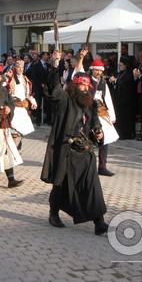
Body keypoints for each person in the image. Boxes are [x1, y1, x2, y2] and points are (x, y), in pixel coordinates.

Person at [41, 59, 108, 235]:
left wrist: (98, 132)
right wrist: (55, 66)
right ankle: (53, 213)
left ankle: (99, 222)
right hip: (67, 152)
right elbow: (53, 89)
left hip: (85, 152)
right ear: (75, 87)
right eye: (82, 86)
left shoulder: (91, 104)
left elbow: (95, 123)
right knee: (60, 184)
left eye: (87, 86)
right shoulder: (65, 101)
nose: (86, 89)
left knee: (92, 187)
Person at [87, 58, 119, 176]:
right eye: (96, 70)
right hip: (89, 112)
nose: (98, 73)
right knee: (89, 139)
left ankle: (102, 166)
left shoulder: (103, 83)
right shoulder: (88, 81)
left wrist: (111, 115)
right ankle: (87, 166)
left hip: (101, 113)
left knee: (105, 139)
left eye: (100, 71)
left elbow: (107, 98)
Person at [5, 59, 37, 150]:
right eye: (18, 67)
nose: (20, 69)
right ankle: (11, 148)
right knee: (12, 130)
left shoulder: (25, 79)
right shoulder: (10, 77)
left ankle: (14, 148)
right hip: (12, 106)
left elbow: (28, 94)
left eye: (22, 67)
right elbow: (3, 86)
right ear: (15, 67)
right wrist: (6, 78)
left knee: (19, 130)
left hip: (21, 107)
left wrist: (32, 100)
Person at [108, 56, 136, 139]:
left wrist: (116, 81)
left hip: (126, 101)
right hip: (119, 100)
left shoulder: (129, 74)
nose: (119, 67)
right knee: (119, 118)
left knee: (125, 119)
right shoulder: (120, 74)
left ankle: (126, 135)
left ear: (125, 65)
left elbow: (126, 84)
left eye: (121, 65)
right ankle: (119, 134)